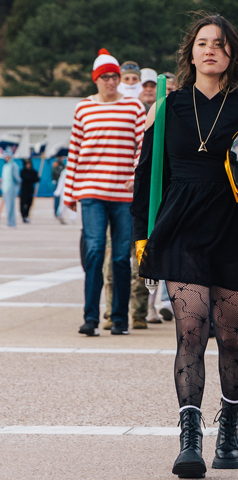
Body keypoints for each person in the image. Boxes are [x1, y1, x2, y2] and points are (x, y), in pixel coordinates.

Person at [131, 14, 238, 478]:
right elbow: (146, 177)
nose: (210, 49)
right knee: (191, 333)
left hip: (235, 227)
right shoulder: (167, 106)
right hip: (181, 229)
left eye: (219, 43)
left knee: (231, 337)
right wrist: (141, 235)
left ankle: (229, 426)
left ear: (232, 53)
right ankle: (190, 439)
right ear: (190, 53)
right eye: (202, 42)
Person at [67, 49, 145, 337]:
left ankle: (119, 318)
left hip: (123, 194)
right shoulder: (83, 108)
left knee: (121, 257)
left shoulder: (134, 107)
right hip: (91, 191)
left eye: (115, 77)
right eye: (106, 77)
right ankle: (90, 318)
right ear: (96, 80)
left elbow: (142, 146)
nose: (111, 82)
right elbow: (74, 150)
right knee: (95, 251)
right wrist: (69, 192)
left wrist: (135, 177)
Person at [1, 151, 20, 227]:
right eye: (6, 156)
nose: (7, 158)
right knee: (7, 207)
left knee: (10, 207)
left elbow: (17, 178)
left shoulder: (13, 165)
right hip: (5, 188)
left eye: (8, 156)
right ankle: (9, 222)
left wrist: (17, 186)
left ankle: (12, 223)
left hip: (11, 188)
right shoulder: (5, 166)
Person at [18, 159, 37, 223]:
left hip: (30, 190)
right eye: (27, 164)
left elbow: (36, 178)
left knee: (29, 203)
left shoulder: (33, 171)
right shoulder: (23, 171)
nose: (28, 165)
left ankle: (26, 215)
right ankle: (23, 215)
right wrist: (32, 178)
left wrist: (36, 178)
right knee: (23, 203)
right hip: (24, 190)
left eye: (29, 164)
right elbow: (26, 178)